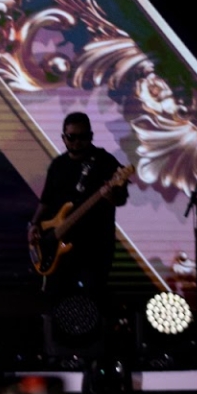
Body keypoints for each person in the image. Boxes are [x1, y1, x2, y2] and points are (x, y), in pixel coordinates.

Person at [28, 112, 129, 303]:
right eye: (71, 137)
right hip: (58, 245)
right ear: (63, 138)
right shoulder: (58, 165)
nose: (76, 142)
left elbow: (121, 199)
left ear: (91, 136)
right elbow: (46, 200)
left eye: (82, 137)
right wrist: (34, 224)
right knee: (58, 299)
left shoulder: (105, 161)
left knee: (94, 298)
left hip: (95, 247)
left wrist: (111, 196)